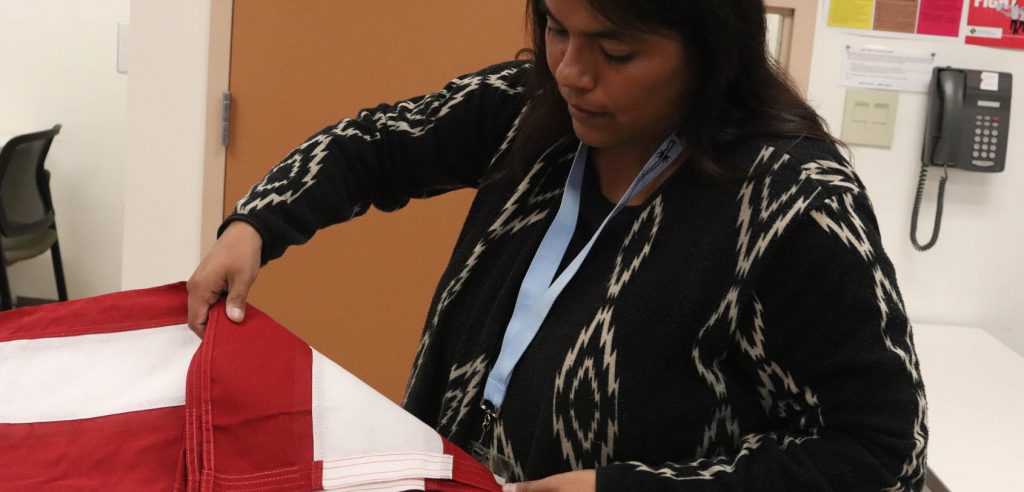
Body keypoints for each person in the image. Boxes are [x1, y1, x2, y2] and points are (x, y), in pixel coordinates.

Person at [187, 0, 928, 490]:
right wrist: (257, 224)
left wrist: (618, 487)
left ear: (711, 51)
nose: (573, 71)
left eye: (616, 50)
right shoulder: (531, 105)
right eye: (556, 27)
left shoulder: (794, 201)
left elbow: (880, 452)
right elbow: (376, 145)